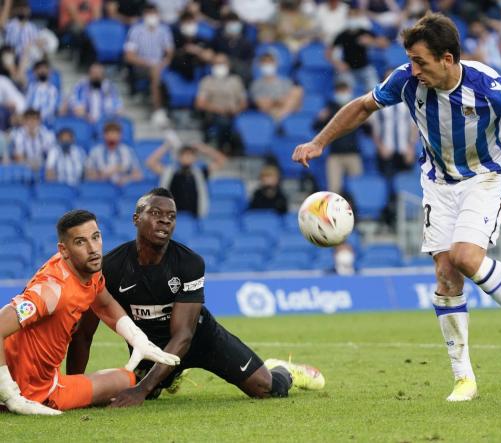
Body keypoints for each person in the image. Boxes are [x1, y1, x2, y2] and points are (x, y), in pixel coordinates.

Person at [291, 13, 501, 402]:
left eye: (421, 61)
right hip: (438, 182)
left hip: (485, 177)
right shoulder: (405, 81)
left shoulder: (487, 85)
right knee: (445, 274)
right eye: (410, 60)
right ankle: (463, 379)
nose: (414, 69)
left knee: (463, 256)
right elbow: (362, 107)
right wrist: (320, 142)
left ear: (447, 58)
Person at [66, 188, 325, 407]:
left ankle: (286, 371)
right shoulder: (111, 268)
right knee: (121, 394)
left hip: (200, 339)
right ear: (136, 219)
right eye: (155, 213)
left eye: (171, 217)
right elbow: (84, 334)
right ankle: (170, 374)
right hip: (151, 349)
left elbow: (184, 336)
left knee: (266, 388)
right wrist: (73, 389)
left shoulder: (189, 264)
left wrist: (141, 390)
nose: (165, 221)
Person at [0, 209, 179, 415]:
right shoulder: (52, 289)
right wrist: (9, 394)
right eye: (80, 242)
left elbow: (104, 303)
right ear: (64, 249)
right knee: (127, 382)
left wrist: (137, 338)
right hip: (39, 390)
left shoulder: (88, 268)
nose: (93, 249)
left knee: (126, 378)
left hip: (41, 376)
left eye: (96, 237)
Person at [146, 139, 227, 218]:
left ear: (195, 158)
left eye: (190, 155)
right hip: (171, 217)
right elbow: (150, 162)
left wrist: (203, 148)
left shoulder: (200, 173)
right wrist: (166, 147)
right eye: (184, 154)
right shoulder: (169, 173)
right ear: (179, 157)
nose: (187, 157)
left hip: (195, 217)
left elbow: (221, 160)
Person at [123, 3, 174, 127]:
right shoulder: (136, 30)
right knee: (154, 71)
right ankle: (157, 110)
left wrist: (164, 62)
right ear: (144, 15)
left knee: (157, 71)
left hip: (161, 66)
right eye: (149, 14)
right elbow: (129, 56)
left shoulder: (164, 30)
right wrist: (148, 63)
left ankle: (163, 108)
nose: (152, 16)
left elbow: (169, 51)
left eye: (154, 13)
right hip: (142, 66)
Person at [312, 80, 363, 194]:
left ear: (350, 90)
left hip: (353, 153)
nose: (342, 93)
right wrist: (320, 118)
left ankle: (356, 211)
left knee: (357, 190)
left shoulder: (356, 107)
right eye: (339, 90)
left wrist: (368, 122)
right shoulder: (330, 108)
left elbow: (367, 130)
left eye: (344, 90)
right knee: (334, 190)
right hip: (335, 154)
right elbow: (315, 126)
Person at [194, 52, 247, 155]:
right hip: (214, 115)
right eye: (217, 63)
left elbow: (243, 102)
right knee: (223, 122)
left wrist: (236, 109)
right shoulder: (207, 81)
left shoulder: (236, 81)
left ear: (228, 65)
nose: (220, 66)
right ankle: (222, 149)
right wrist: (219, 110)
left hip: (234, 114)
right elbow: (199, 103)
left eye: (222, 63)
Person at [328, 8, 386, 93]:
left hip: (365, 68)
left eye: (354, 16)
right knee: (344, 92)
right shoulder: (342, 35)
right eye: (350, 16)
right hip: (348, 69)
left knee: (375, 91)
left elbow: (384, 44)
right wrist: (338, 63)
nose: (352, 19)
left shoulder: (364, 32)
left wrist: (371, 41)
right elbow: (328, 52)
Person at [250, 51, 304, 122]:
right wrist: (280, 100)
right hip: (269, 114)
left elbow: (296, 104)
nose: (268, 65)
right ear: (260, 65)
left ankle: (281, 119)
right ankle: (281, 121)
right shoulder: (256, 84)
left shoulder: (286, 82)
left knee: (298, 90)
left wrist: (276, 102)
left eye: (270, 62)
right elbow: (263, 106)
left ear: (276, 63)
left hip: (285, 112)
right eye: (265, 62)